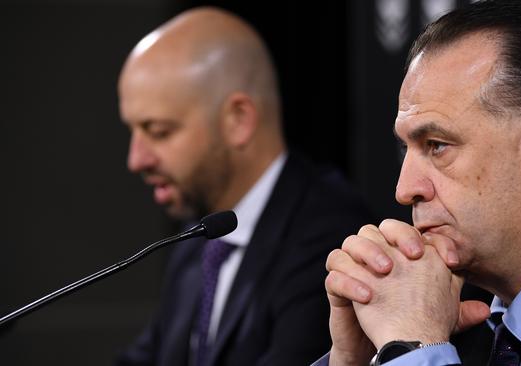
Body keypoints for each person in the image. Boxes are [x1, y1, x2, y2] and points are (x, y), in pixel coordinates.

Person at [319, 0, 521, 365]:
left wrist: (412, 348)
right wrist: (354, 359)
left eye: (438, 146)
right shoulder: (436, 299)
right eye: (406, 149)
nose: (404, 189)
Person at [114, 6, 372, 366]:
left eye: (159, 131)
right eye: (133, 131)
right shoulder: (197, 238)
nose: (136, 159)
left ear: (239, 119)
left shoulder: (331, 235)